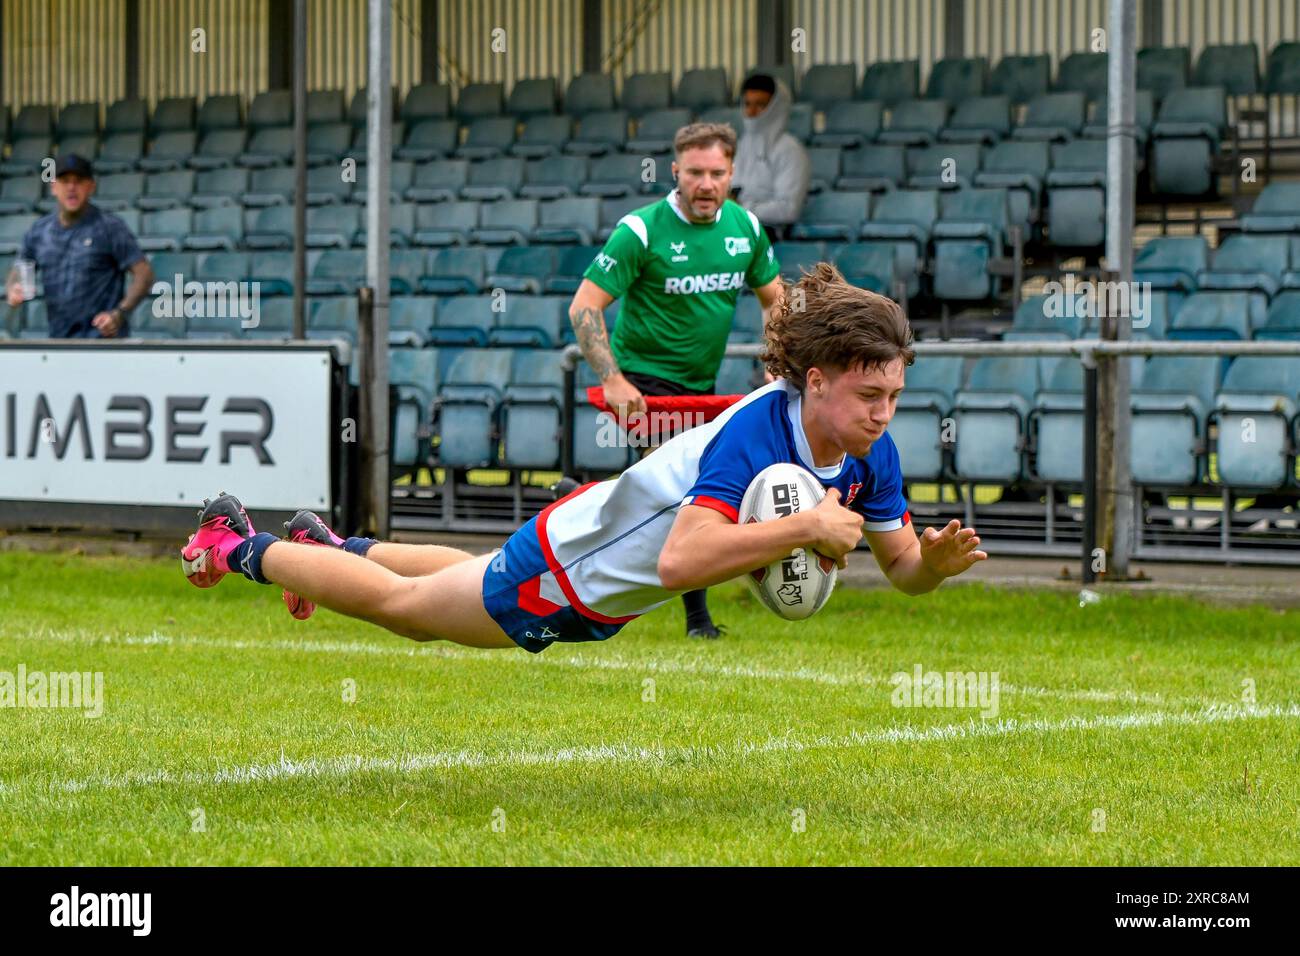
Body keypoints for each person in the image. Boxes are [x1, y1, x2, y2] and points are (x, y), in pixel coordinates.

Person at [179, 264, 988, 655]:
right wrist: (804, 527)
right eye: (868, 394)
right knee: (408, 613)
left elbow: (904, 566)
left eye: (894, 394)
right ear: (815, 383)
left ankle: (334, 548)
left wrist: (935, 565)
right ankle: (239, 544)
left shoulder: (868, 454)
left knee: (451, 577)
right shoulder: (758, 433)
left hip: (594, 557)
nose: (884, 412)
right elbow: (684, 561)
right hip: (574, 566)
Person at [564, 121, 786, 640]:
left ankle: (575, 500)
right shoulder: (640, 230)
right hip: (645, 386)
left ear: (733, 172)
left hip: (702, 386)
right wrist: (614, 380)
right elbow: (585, 307)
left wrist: (775, 360)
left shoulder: (747, 229)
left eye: (716, 173)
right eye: (694, 173)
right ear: (675, 172)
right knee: (689, 493)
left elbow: (777, 298)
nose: (705, 184)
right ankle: (696, 619)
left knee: (657, 495)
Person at [5, 154, 154, 338]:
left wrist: (119, 314)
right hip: (59, 342)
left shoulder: (110, 227)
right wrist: (14, 288)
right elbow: (18, 272)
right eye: (64, 181)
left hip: (104, 343)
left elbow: (144, 274)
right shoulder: (39, 231)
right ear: (53, 187)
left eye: (78, 181)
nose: (71, 188)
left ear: (91, 186)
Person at [731, 73, 811, 237]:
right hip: (733, 225)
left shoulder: (790, 150)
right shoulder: (740, 146)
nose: (752, 112)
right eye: (747, 104)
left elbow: (789, 209)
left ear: (776, 107)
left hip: (766, 231)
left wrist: (742, 208)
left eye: (760, 105)